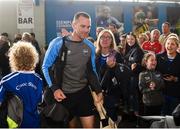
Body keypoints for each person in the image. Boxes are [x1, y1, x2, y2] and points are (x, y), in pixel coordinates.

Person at [42, 12, 103, 128]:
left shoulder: (90, 46)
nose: (86, 30)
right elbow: (46, 66)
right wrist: (54, 89)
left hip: (83, 93)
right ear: (74, 25)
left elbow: (91, 71)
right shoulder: (58, 43)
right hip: (64, 95)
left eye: (88, 27)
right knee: (71, 126)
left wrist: (99, 90)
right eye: (82, 26)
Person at [0, 41, 43, 127]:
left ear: (14, 58)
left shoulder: (6, 80)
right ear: (33, 58)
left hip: (13, 124)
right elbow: (40, 100)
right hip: (34, 122)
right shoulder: (38, 79)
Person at [95, 29, 123, 125]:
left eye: (108, 37)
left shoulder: (117, 55)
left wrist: (113, 67)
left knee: (110, 120)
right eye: (102, 37)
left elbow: (121, 75)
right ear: (99, 40)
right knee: (99, 120)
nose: (105, 39)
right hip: (96, 92)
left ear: (112, 40)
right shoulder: (95, 55)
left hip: (111, 93)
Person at [156, 33, 180, 115]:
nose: (169, 46)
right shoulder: (158, 57)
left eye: (172, 44)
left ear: (177, 46)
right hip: (161, 93)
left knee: (173, 118)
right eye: (168, 43)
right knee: (162, 117)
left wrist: (175, 79)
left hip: (176, 93)